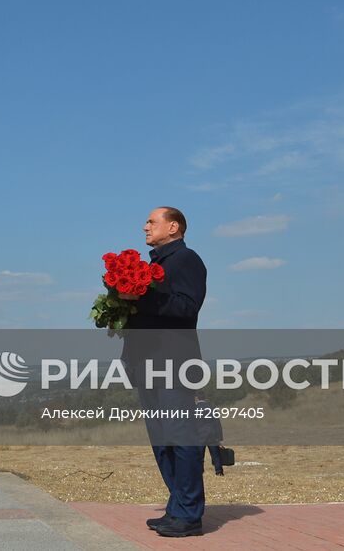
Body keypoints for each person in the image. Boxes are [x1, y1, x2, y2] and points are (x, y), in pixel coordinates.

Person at [120, 206, 207, 539]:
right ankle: (177, 507)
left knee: (181, 437)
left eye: (151, 222)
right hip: (146, 365)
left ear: (173, 227)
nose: (144, 226)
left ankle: (190, 515)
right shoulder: (154, 264)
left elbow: (187, 306)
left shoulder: (187, 260)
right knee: (162, 440)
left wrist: (140, 298)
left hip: (174, 364)